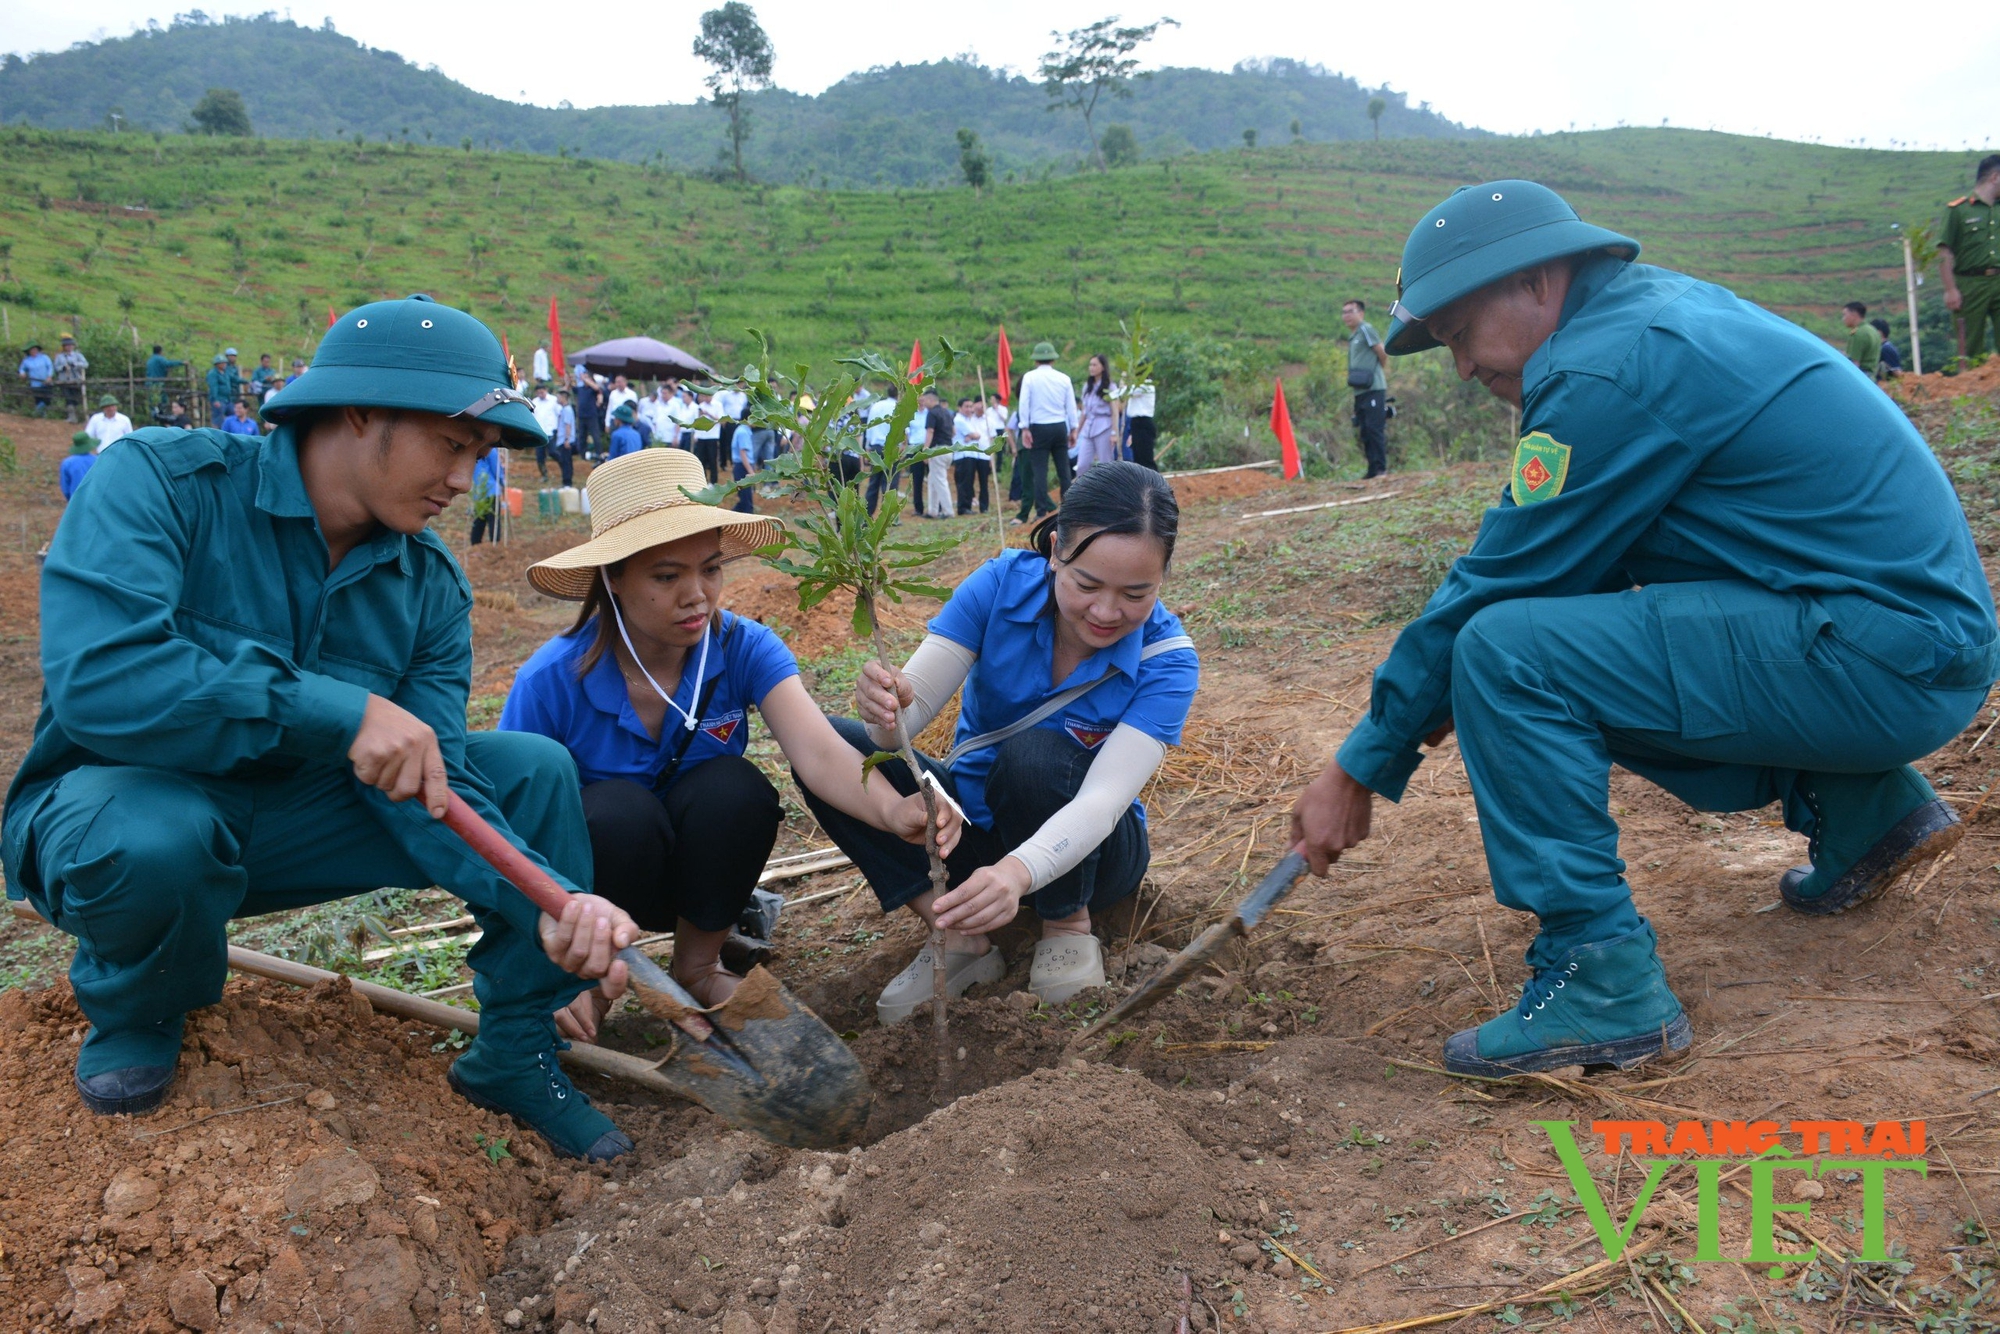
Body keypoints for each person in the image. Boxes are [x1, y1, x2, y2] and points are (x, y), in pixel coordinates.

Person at [1289, 180, 1997, 1079]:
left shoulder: (1603, 372)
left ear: (1539, 281)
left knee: (1507, 653)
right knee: (1586, 610)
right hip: (1904, 644)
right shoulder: (1650, 319)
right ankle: (1865, 809)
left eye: (1461, 333)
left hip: (1882, 654)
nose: (1461, 368)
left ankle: (1602, 979)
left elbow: (1497, 585)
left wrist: (1361, 764)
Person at [3, 294, 646, 1162]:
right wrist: (336, 710)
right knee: (159, 837)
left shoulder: (428, 585)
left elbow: (434, 784)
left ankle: (514, 1052)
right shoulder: (161, 483)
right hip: (117, 808)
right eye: (453, 445)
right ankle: (142, 1007)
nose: (465, 481)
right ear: (358, 410)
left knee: (531, 772)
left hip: (290, 827)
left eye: (479, 455)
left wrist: (548, 897)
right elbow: (101, 680)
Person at [502, 450, 958, 1030]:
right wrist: (545, 945)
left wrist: (895, 809)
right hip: (594, 891)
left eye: (710, 569)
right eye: (667, 576)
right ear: (613, 578)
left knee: (736, 789)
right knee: (617, 812)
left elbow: (817, 750)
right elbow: (509, 827)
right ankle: (592, 983)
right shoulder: (551, 681)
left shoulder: (743, 647)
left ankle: (699, 964)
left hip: (707, 885)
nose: (697, 595)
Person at [802, 462, 1199, 1023]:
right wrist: (884, 710)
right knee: (828, 749)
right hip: (977, 831)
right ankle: (958, 930)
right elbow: (899, 733)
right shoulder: (999, 587)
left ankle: (1066, 924)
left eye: (1136, 594)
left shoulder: (1168, 662)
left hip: (1095, 855)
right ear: (1056, 549)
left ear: (1163, 576)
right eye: (1086, 584)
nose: (1107, 612)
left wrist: (1017, 873)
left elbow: (1103, 802)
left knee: (1033, 756)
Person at [1939, 155, 2000, 362]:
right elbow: (1944, 252)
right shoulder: (1958, 210)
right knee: (1971, 347)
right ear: (1995, 177)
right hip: (1970, 284)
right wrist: (1950, 289)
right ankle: (1971, 391)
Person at [1014, 343, 1077, 525]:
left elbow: (1024, 403)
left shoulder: (1030, 378)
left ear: (1035, 359)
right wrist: (1073, 428)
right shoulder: (1063, 378)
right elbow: (1071, 406)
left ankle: (1041, 512)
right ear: (1054, 359)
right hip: (1059, 426)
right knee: (1063, 469)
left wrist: (1024, 427)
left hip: (1038, 427)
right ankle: (1069, 508)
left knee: (1039, 471)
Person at [1340, 298, 1391, 478]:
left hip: (1374, 388)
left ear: (1361, 313)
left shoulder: (1365, 329)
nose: (1346, 316)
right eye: (1344, 312)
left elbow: (1381, 351)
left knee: (1374, 428)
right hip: (1360, 390)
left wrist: (1378, 372)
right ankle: (1372, 470)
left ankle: (1380, 469)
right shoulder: (1353, 335)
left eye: (1350, 311)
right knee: (1364, 430)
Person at [1073, 355, 1120, 474]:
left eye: (1095, 365)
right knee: (1082, 464)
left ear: (1103, 367)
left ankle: (1108, 491)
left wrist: (1114, 432)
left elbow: (1115, 412)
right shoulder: (1087, 387)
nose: (1091, 368)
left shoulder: (1110, 386)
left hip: (1104, 426)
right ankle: (1083, 491)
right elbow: (1084, 412)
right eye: (1090, 365)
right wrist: (1077, 431)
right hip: (1088, 427)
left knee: (1106, 463)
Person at [863, 390, 901, 516]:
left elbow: (869, 427)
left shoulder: (876, 406)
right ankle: (887, 516)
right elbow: (902, 428)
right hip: (891, 448)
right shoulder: (899, 407)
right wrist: (903, 446)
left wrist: (868, 447)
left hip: (876, 448)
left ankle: (867, 515)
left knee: (874, 483)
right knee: (890, 482)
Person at [953, 396, 993, 514]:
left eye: (970, 407)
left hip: (974, 454)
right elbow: (976, 435)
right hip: (965, 454)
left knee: (971, 482)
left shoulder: (968, 419)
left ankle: (969, 507)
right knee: (964, 482)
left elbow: (976, 435)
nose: (969, 409)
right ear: (959, 408)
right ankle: (964, 507)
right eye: (967, 406)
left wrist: (970, 436)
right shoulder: (960, 420)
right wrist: (971, 435)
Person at [920, 387, 956, 519]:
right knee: (932, 479)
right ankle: (933, 510)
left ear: (930, 399)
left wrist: (925, 449)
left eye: (924, 400)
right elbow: (954, 432)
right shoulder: (947, 412)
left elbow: (930, 431)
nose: (923, 403)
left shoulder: (932, 413)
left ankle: (948, 511)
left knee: (940, 480)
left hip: (937, 450)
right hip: (948, 449)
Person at [1119, 376, 1158, 471]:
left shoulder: (1146, 385)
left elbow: (1125, 392)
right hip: (1135, 423)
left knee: (1146, 458)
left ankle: (1155, 483)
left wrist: (1124, 380)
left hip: (1143, 422)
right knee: (1138, 458)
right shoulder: (1136, 386)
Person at [470, 446, 505, 546]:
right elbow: (497, 470)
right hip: (491, 490)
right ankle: (495, 545)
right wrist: (503, 482)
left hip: (478, 491)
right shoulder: (490, 449)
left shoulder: (474, 448)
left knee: (479, 520)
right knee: (494, 520)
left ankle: (475, 545)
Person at [51, 335, 88, 423]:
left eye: (70, 345)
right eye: (67, 345)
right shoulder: (60, 357)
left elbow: (86, 364)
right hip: (64, 380)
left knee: (77, 398)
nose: (69, 347)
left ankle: (82, 416)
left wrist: (75, 364)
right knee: (68, 398)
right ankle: (72, 417)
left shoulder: (77, 355)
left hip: (76, 380)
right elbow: (56, 367)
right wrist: (63, 368)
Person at [1841, 301, 1882, 377]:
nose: (1843, 319)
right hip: (1871, 377)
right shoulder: (1873, 331)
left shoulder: (1858, 333)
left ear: (1854, 315)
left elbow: (1854, 364)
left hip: (1861, 375)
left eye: (1845, 315)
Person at [143, 345, 185, 418]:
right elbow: (168, 363)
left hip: (149, 383)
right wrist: (181, 362)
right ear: (160, 351)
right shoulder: (159, 359)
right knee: (163, 400)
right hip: (158, 383)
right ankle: (163, 416)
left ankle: (153, 416)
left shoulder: (150, 360)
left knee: (152, 401)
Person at [530, 384, 561, 480]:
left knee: (553, 452)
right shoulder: (535, 402)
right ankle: (544, 475)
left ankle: (563, 465)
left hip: (551, 431)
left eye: (542, 392)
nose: (540, 394)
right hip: (540, 432)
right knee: (540, 456)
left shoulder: (553, 400)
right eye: (538, 392)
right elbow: (532, 416)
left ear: (546, 390)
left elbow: (560, 414)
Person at [573, 364, 604, 457]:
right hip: (581, 415)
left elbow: (597, 388)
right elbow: (572, 388)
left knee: (595, 435)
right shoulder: (580, 389)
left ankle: (599, 454)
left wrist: (586, 378)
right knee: (582, 436)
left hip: (591, 415)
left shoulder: (592, 389)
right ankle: (582, 454)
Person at [728, 418, 759, 514]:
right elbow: (743, 453)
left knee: (744, 499)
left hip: (742, 466)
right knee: (746, 500)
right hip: (743, 467)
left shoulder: (743, 430)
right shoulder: (743, 432)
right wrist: (751, 471)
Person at [552, 388, 578, 487]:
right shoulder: (565, 409)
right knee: (566, 461)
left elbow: (568, 425)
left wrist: (567, 439)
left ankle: (567, 482)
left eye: (558, 397)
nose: (557, 399)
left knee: (566, 462)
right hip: (563, 440)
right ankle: (567, 481)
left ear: (563, 397)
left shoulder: (567, 410)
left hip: (565, 440)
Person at [60, 431, 96, 502]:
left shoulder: (67, 463)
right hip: (95, 500)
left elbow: (65, 488)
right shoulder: (97, 460)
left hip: (75, 501)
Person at [18, 342, 53, 413]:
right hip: (35, 384)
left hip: (46, 382)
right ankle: (40, 415)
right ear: (29, 351)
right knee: (38, 399)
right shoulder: (26, 361)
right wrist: (22, 373)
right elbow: (21, 369)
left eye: (35, 349)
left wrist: (49, 376)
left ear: (38, 349)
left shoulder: (44, 357)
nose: (33, 351)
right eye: (31, 350)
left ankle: (45, 414)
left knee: (47, 399)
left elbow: (50, 367)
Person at [206, 354, 234, 424]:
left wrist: (245, 381)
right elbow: (213, 387)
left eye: (225, 362)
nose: (224, 364)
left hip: (227, 399)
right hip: (219, 399)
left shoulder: (225, 372)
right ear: (217, 364)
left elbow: (233, 378)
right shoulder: (213, 374)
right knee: (218, 419)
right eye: (222, 363)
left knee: (232, 416)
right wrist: (216, 400)